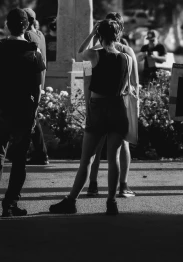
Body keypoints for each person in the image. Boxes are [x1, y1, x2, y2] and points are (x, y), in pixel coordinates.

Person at [49, 20, 132, 216]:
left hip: (98, 108)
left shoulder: (93, 55)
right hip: (118, 108)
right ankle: (111, 201)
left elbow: (81, 53)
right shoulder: (126, 58)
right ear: (118, 35)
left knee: (87, 159)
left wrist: (92, 35)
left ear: (99, 34)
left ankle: (71, 200)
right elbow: (126, 87)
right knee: (113, 159)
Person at [0, 9, 46, 217]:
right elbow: (38, 87)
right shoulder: (35, 51)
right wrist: (33, 112)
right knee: (19, 159)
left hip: (3, 107)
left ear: (7, 25)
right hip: (25, 111)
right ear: (27, 26)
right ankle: (11, 203)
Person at [86, 12, 140, 198]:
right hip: (116, 104)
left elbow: (134, 83)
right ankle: (105, 185)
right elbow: (134, 83)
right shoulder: (117, 52)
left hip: (108, 102)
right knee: (109, 148)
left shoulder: (109, 51)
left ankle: (115, 185)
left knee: (106, 146)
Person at [23, 7, 50, 166]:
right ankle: (38, 153)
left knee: (31, 117)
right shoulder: (40, 34)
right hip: (40, 78)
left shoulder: (28, 36)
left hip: (30, 80)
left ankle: (41, 153)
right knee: (30, 116)